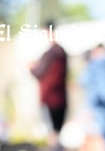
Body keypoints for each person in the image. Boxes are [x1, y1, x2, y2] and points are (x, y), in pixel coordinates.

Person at [29, 21, 68, 151]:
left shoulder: (50, 54)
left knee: (52, 135)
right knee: (56, 133)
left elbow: (39, 72)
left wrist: (32, 67)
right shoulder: (62, 52)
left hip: (49, 98)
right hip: (61, 98)